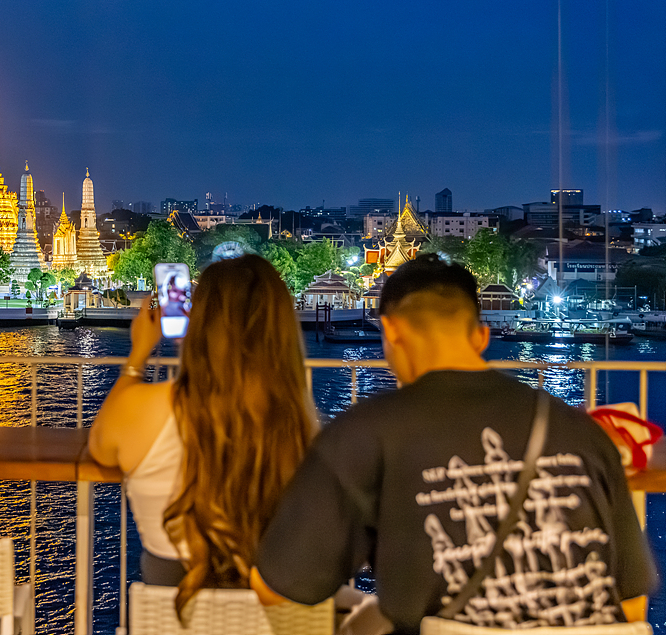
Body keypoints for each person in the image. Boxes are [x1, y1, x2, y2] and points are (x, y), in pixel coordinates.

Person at [252, 254, 656, 633]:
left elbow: (280, 587)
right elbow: (633, 605)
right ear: (481, 337)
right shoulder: (582, 433)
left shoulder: (365, 434)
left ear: (389, 330)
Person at [89, 254, 317, 617]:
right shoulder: (299, 424)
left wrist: (138, 356)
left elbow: (99, 448)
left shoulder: (144, 410)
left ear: (199, 322)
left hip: (174, 620)